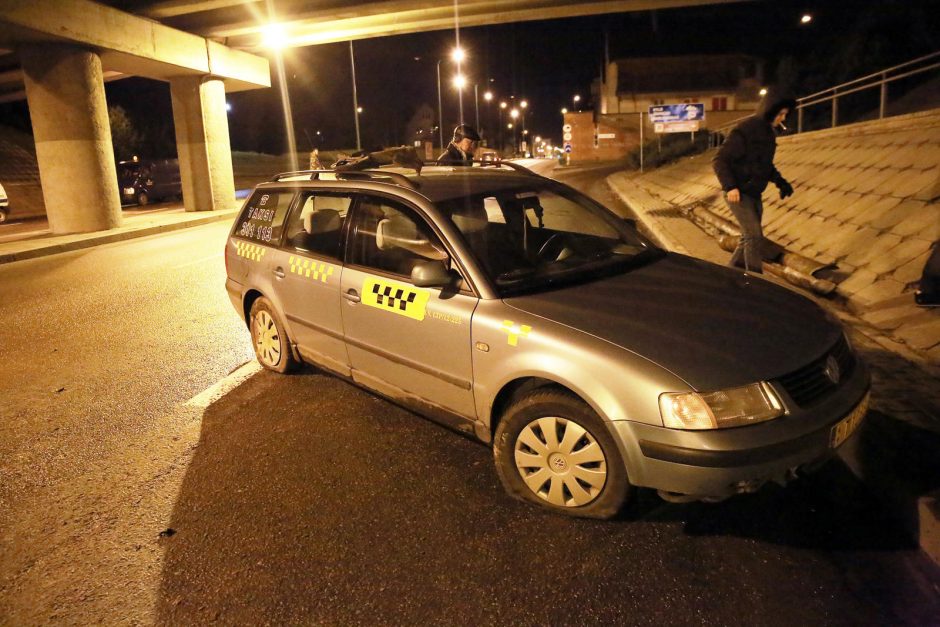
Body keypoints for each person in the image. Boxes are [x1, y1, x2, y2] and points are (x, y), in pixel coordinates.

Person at [713, 92, 797, 274]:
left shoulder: (769, 134)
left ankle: (730, 274)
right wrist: (730, 187)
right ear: (769, 111)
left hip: (754, 193)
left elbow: (765, 165)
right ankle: (753, 279)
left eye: (785, 115)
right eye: (780, 114)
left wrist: (780, 182)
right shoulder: (746, 129)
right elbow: (720, 160)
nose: (783, 118)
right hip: (738, 192)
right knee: (754, 236)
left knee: (747, 237)